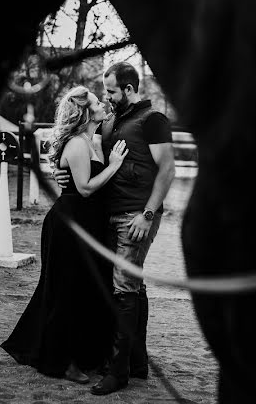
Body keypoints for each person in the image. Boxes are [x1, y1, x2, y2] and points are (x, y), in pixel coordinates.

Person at [57, 62, 176, 396]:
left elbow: (167, 170)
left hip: (135, 216)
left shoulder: (153, 121)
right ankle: (137, 362)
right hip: (107, 215)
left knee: (123, 288)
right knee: (132, 287)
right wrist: (63, 173)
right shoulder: (113, 120)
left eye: (110, 91)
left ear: (128, 89)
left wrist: (148, 214)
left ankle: (117, 371)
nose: (106, 97)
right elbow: (82, 150)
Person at [1, 86, 129, 384]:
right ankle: (62, 362)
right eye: (97, 102)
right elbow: (84, 187)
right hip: (70, 225)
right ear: (85, 112)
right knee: (67, 292)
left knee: (83, 291)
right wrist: (113, 166)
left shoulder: (91, 140)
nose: (102, 103)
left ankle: (81, 353)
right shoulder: (77, 144)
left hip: (88, 224)